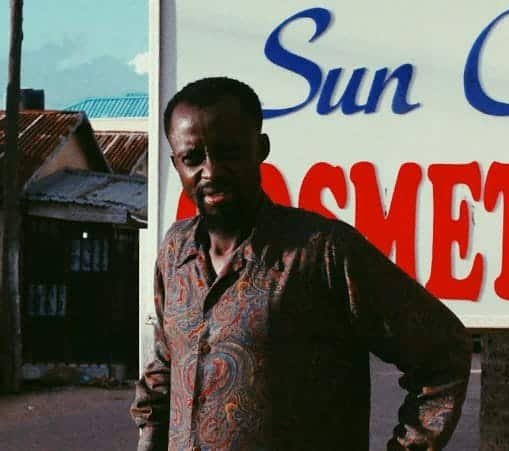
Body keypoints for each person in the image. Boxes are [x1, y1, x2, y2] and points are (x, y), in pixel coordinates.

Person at [131, 76, 471, 451]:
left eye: (229, 152)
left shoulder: (322, 253)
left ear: (260, 148)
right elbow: (163, 372)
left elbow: (444, 352)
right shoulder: (175, 252)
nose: (211, 172)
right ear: (175, 161)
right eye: (193, 158)